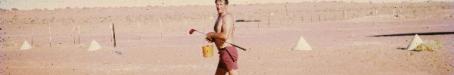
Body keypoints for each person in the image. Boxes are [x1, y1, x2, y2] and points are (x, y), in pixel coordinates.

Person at [205, 0, 238, 75]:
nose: (218, 6)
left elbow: (225, 36)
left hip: (228, 51)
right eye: (217, 4)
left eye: (221, 4)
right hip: (222, 53)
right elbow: (219, 35)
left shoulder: (227, 17)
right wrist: (213, 38)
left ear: (226, 5)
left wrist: (212, 34)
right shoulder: (220, 16)